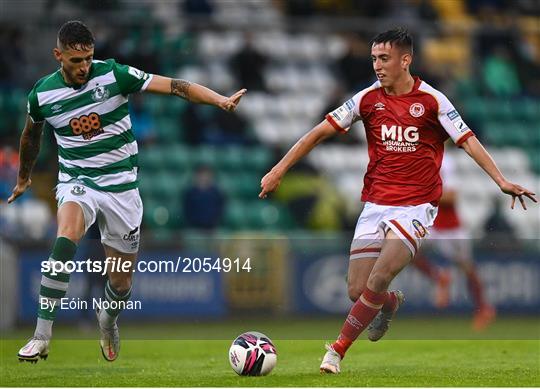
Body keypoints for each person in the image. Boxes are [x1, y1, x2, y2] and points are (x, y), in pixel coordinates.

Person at [258, 28, 536, 374]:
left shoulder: (433, 101)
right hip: (376, 204)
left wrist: (501, 181)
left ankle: (336, 351)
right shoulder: (366, 100)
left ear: (406, 60)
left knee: (377, 279)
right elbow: (318, 132)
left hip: (417, 207)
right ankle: (389, 304)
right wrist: (279, 170)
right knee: (357, 290)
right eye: (374, 58)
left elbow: (468, 140)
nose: (377, 65)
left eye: (384, 58)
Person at [8, 20, 246, 363]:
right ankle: (41, 336)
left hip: (122, 188)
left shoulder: (115, 75)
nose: (84, 67)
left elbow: (176, 86)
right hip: (79, 180)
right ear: (58, 56)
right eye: (76, 61)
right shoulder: (42, 94)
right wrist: (23, 177)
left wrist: (220, 100)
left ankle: (107, 320)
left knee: (120, 283)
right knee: (67, 236)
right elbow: (31, 136)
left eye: (88, 58)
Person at [412, 152, 496, 331]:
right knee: (407, 252)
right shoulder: (420, 157)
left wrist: (421, 193)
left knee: (467, 267)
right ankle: (439, 277)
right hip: (430, 224)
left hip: (450, 227)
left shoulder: (445, 161)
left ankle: (484, 308)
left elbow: (451, 196)